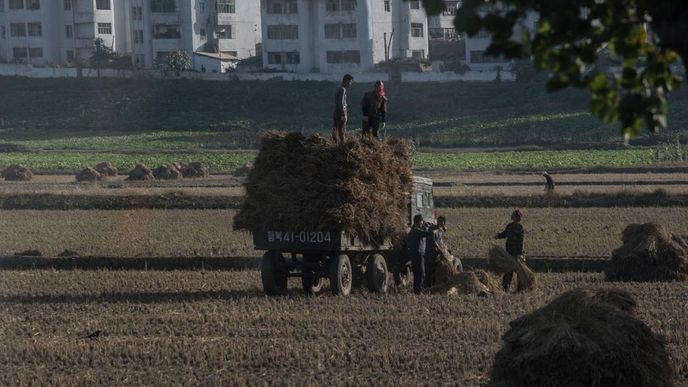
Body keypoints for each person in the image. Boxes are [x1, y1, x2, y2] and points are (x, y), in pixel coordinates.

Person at [495, 209, 525, 291]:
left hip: (516, 253)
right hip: (508, 252)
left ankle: (520, 289)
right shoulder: (509, 226)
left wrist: (519, 254)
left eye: (515, 216)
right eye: (514, 215)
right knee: (508, 271)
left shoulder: (520, 228)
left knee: (519, 272)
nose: (513, 217)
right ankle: (505, 288)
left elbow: (520, 241)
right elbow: (504, 234)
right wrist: (498, 236)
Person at [405, 214, 434, 294]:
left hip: (417, 254)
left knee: (417, 273)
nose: (422, 222)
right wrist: (426, 226)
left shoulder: (415, 229)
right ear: (418, 221)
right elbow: (428, 234)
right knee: (421, 273)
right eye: (421, 221)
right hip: (418, 254)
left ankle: (416, 291)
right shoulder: (416, 230)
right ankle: (419, 290)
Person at [332, 74, 354, 143]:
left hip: (336, 112)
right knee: (341, 130)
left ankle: (335, 143)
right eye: (350, 82)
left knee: (335, 128)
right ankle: (342, 144)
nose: (350, 84)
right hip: (340, 113)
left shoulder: (338, 88)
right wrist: (343, 114)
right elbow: (341, 102)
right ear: (346, 81)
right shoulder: (342, 89)